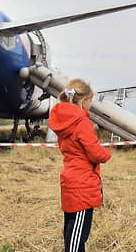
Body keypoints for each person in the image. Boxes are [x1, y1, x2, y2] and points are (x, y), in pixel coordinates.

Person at [48, 78, 111, 252]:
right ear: (83, 101)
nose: (91, 103)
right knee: (78, 232)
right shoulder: (82, 122)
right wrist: (106, 153)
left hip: (70, 179)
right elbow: (94, 152)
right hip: (82, 184)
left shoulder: (64, 122)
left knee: (71, 226)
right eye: (91, 100)